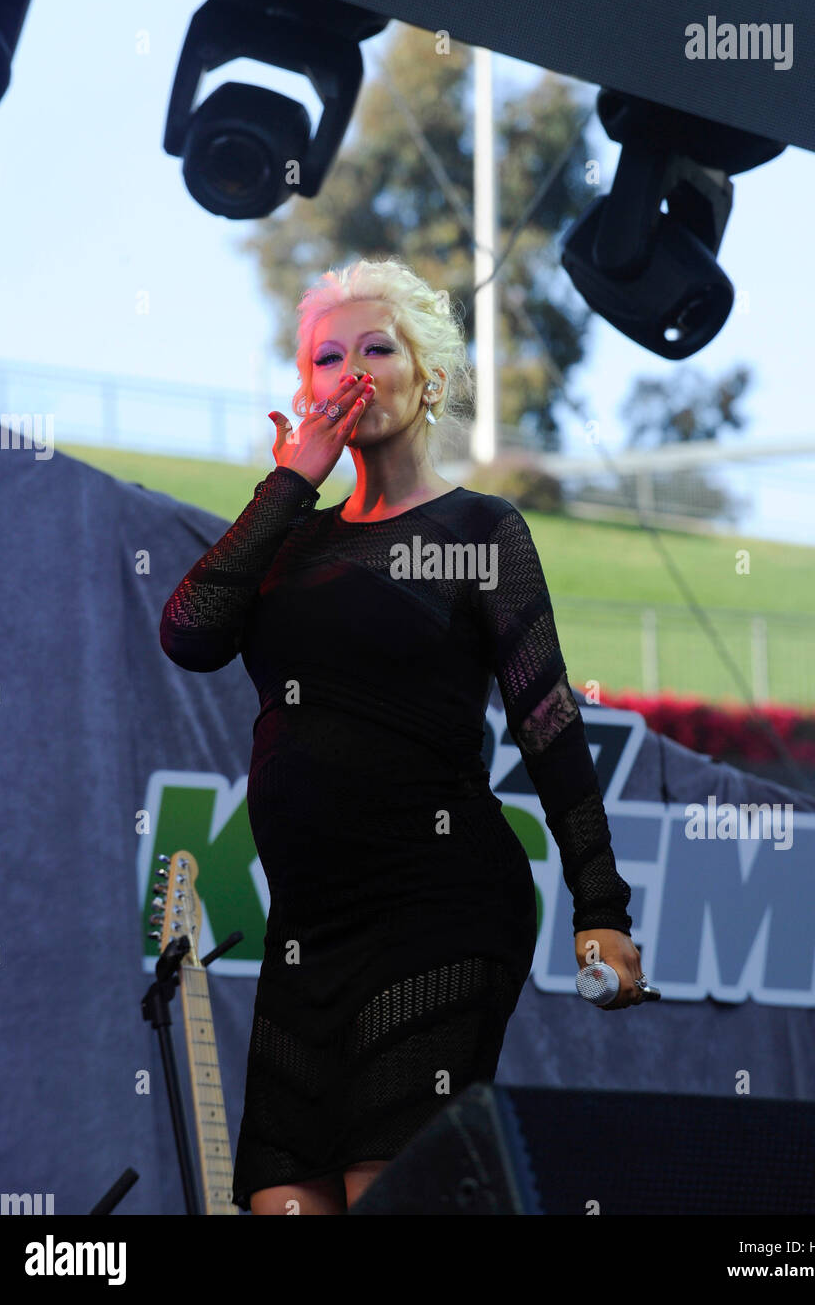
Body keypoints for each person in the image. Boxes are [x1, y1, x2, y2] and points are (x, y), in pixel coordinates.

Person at [159, 257, 646, 1216]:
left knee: (388, 1192)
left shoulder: (478, 528)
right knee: (282, 1199)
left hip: (440, 904)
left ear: (427, 376)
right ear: (303, 391)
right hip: (309, 929)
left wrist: (601, 903)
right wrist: (290, 482)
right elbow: (189, 632)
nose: (349, 371)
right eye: (325, 356)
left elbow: (545, 716)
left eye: (374, 348)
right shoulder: (288, 538)